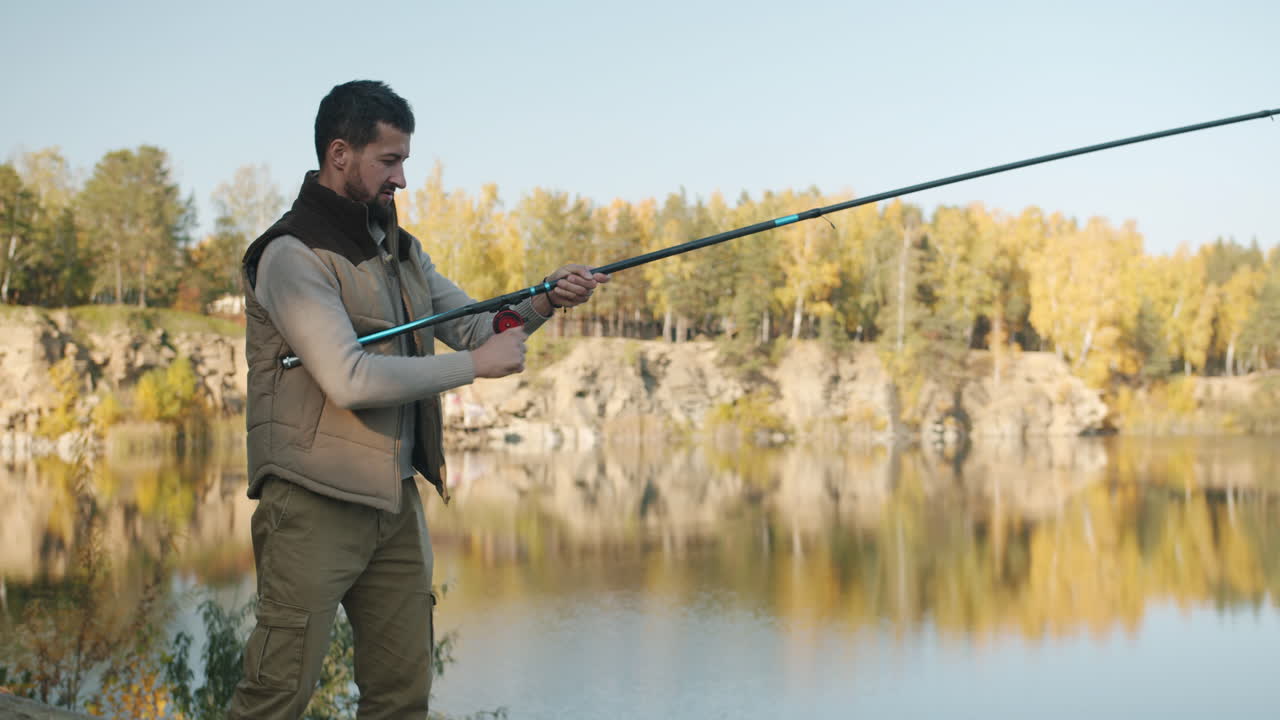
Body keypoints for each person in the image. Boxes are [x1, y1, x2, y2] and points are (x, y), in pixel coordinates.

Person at [228, 79, 608, 719]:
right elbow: (347, 376)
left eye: (404, 160)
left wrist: (543, 302)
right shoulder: (291, 255)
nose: (402, 178)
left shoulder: (402, 252)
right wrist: (472, 369)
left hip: (395, 504)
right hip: (311, 504)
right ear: (340, 153)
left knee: (402, 699)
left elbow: (483, 328)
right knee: (275, 697)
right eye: (390, 160)